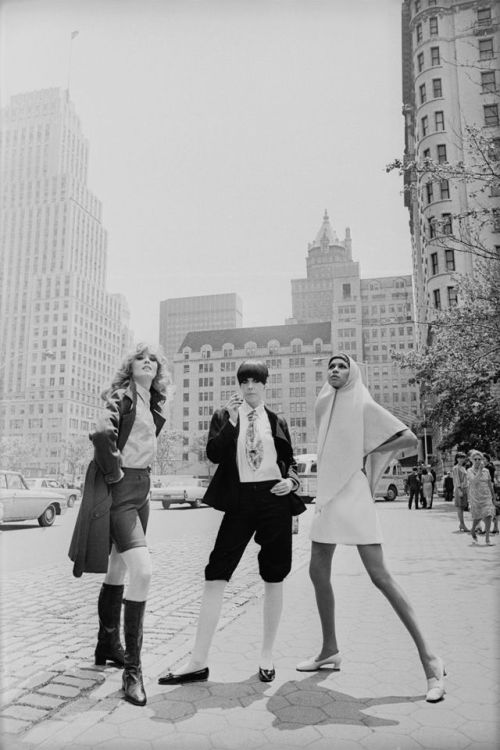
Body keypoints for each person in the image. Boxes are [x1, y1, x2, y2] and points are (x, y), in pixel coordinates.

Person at [296, 354, 446, 703]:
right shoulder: (323, 402)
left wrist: (369, 451)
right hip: (327, 497)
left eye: (342, 366)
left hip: (355, 494)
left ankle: (431, 660)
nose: (335, 370)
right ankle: (329, 649)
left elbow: (408, 438)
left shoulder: (363, 403)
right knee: (318, 572)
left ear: (353, 373)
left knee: (381, 577)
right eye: (331, 366)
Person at [158, 360, 300, 686]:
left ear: (265, 384)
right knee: (216, 572)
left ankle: (267, 656)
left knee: (274, 575)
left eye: (256, 381)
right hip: (239, 501)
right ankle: (198, 661)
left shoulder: (276, 420)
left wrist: (291, 482)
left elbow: (289, 461)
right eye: (244, 381)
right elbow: (214, 454)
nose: (249, 386)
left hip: (274, 499)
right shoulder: (225, 416)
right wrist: (233, 422)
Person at [69, 343, 168, 706]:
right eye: (141, 358)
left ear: (158, 371)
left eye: (153, 360)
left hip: (143, 488)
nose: (147, 362)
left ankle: (108, 642)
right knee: (142, 571)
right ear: (131, 367)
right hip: (123, 487)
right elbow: (100, 434)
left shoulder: (152, 403)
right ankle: (132, 670)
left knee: (118, 566)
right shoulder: (122, 397)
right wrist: (115, 471)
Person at [467, 450, 496, 546]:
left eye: (479, 459)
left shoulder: (486, 471)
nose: (478, 461)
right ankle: (473, 529)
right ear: (472, 460)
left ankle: (487, 538)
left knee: (488, 515)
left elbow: (490, 484)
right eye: (475, 459)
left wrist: (493, 497)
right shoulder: (469, 471)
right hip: (475, 497)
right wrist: (479, 471)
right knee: (477, 517)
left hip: (486, 496)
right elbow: (473, 481)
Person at [452, 452, 469, 532]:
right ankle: (462, 524)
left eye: (463, 458)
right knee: (459, 507)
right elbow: (456, 480)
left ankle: (462, 524)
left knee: (462, 507)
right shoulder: (456, 468)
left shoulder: (463, 467)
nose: (461, 459)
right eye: (460, 458)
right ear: (456, 458)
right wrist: (459, 490)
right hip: (459, 489)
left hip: (465, 488)